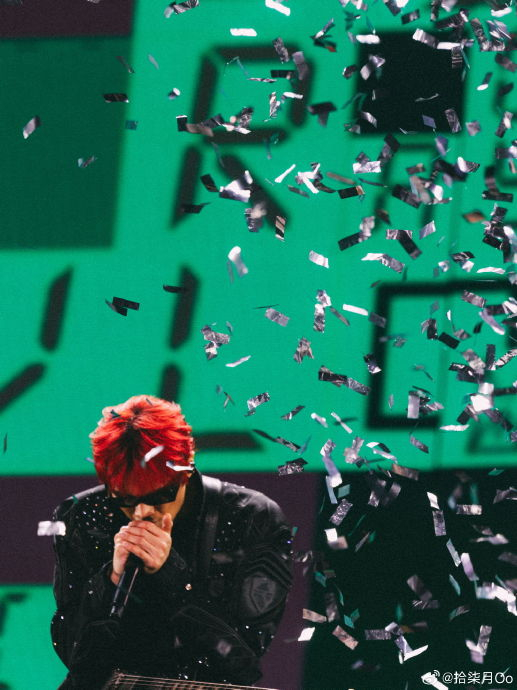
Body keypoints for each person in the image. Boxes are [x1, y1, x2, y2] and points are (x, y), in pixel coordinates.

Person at [51, 395, 293, 689]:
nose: (142, 512)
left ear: (186, 470)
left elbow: (241, 662)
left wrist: (173, 576)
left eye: (159, 496)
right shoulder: (81, 516)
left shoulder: (251, 517)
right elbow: (74, 656)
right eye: (125, 499)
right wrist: (110, 580)